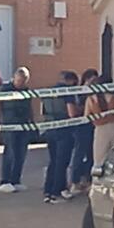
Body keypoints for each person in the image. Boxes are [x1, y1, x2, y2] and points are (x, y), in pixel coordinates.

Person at [41, 70, 80, 204]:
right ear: (71, 81)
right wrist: (80, 110)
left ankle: (48, 191)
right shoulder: (67, 92)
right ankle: (57, 192)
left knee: (53, 161)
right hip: (64, 130)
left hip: (50, 128)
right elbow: (71, 112)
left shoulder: (47, 92)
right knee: (62, 162)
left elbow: (43, 112)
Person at [0, 67, 33, 194]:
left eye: (24, 81)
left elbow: (29, 107)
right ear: (14, 77)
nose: (21, 83)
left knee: (21, 153)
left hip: (23, 125)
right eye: (19, 80)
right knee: (10, 152)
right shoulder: (5, 89)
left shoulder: (26, 91)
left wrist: (32, 122)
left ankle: (16, 180)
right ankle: (5, 181)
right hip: (9, 124)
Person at [69, 68, 99, 193]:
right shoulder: (80, 92)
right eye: (92, 80)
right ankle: (75, 181)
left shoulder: (95, 92)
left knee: (91, 154)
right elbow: (77, 109)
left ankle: (87, 179)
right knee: (79, 154)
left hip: (92, 126)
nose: (93, 83)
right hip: (81, 127)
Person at [85, 75, 114, 165]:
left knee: (99, 158)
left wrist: (98, 120)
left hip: (100, 129)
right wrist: (112, 118)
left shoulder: (90, 100)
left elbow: (86, 118)